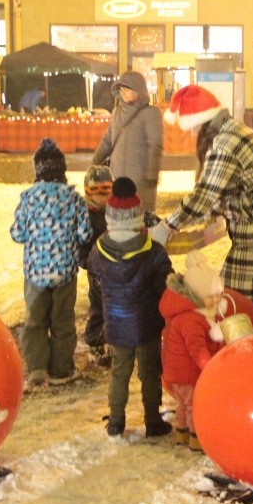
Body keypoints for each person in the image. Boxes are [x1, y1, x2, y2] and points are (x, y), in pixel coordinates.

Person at [153, 84, 253, 321]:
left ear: (201, 124)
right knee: (240, 294)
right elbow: (227, 191)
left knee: (234, 294)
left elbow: (204, 195)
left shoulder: (225, 143)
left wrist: (167, 226)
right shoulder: (232, 131)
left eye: (192, 129)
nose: (191, 136)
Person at [87, 177, 174, 438]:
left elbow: (95, 283)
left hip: (116, 324)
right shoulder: (153, 251)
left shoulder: (99, 250)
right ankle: (152, 420)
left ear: (111, 218)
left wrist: (103, 311)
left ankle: (116, 422)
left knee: (119, 373)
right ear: (137, 216)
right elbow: (166, 286)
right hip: (147, 325)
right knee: (149, 373)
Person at [11, 138, 92, 389]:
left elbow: (17, 234)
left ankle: (36, 368)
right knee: (62, 321)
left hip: (36, 272)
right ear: (62, 170)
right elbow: (85, 234)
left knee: (35, 321)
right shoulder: (74, 199)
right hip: (65, 271)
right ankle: (61, 368)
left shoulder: (28, 199)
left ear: (38, 171)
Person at [159, 250, 227, 451]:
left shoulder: (192, 313)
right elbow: (197, 350)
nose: (216, 300)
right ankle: (197, 439)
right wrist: (210, 367)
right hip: (188, 375)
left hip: (178, 374)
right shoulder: (191, 319)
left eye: (218, 295)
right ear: (197, 295)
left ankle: (182, 434)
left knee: (183, 406)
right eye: (210, 296)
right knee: (194, 407)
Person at [91, 71, 164, 212]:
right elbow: (107, 140)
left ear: (138, 90)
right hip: (117, 176)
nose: (123, 94)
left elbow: (155, 144)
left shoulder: (151, 113)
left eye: (127, 90)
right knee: (119, 214)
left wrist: (152, 174)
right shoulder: (117, 112)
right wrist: (95, 162)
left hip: (140, 178)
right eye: (121, 91)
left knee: (140, 215)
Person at [77, 164, 114, 367]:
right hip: (97, 270)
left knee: (112, 306)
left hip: (114, 268)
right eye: (97, 192)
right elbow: (81, 247)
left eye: (107, 191)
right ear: (88, 192)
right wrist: (88, 264)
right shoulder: (87, 216)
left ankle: (109, 340)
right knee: (99, 307)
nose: (103, 197)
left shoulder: (112, 212)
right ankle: (95, 343)